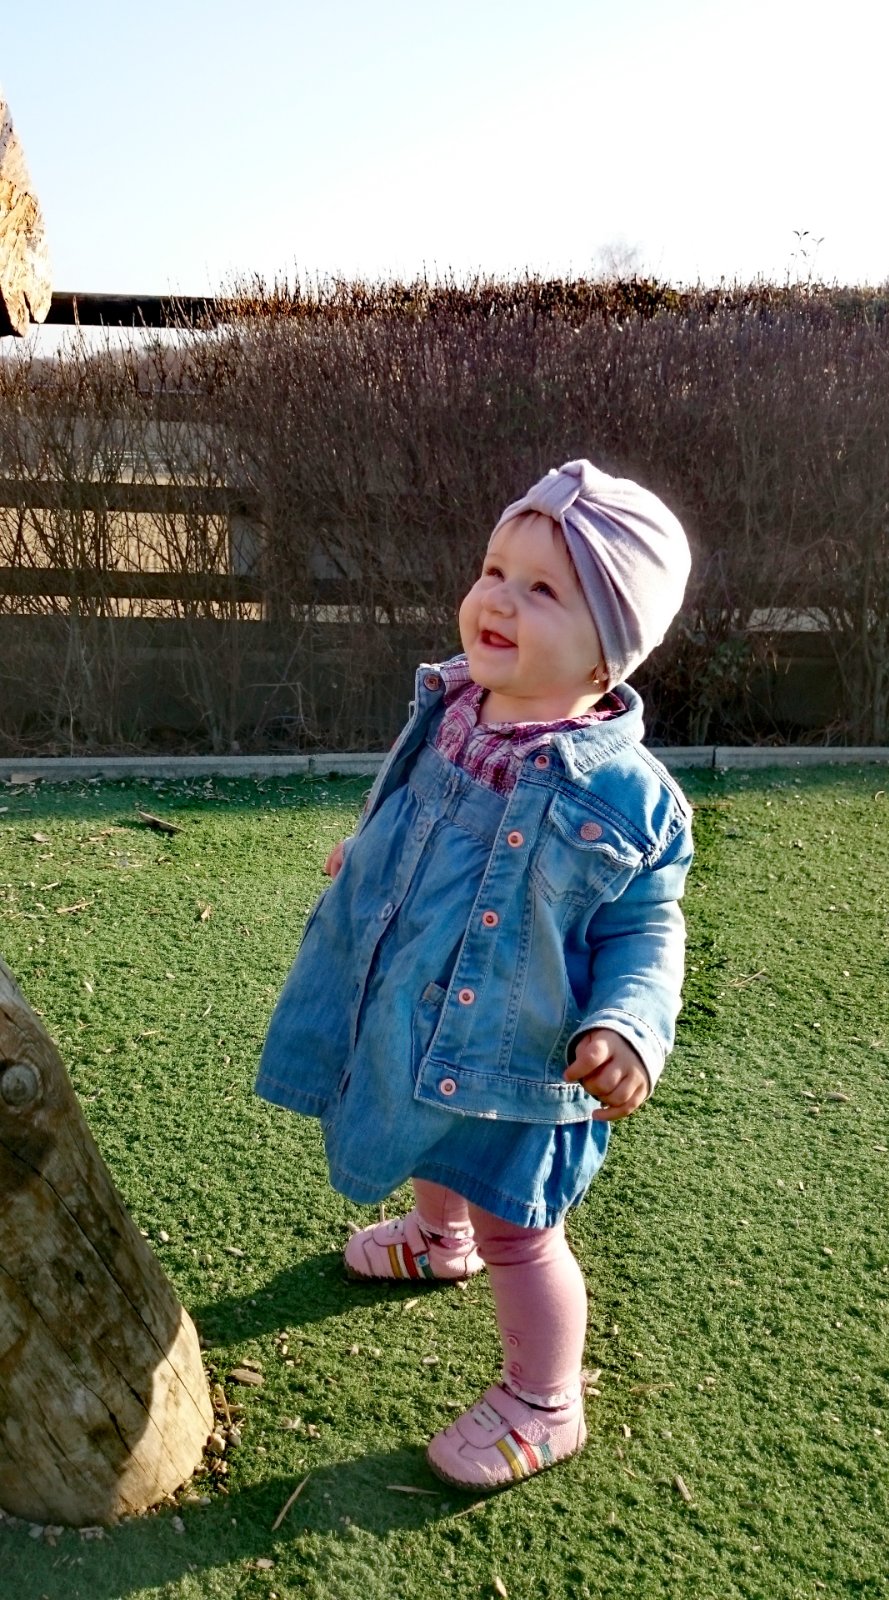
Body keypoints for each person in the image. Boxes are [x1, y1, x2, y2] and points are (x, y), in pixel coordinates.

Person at [255, 458, 693, 1491]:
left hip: (518, 1052)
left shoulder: (629, 796)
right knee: (416, 1109)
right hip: (416, 997)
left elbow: (648, 927)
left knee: (522, 1230)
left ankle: (546, 1399)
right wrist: (371, 853)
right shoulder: (456, 703)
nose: (498, 598)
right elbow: (410, 800)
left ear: (609, 650)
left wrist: (630, 1027)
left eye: (543, 590)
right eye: (496, 570)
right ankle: (435, 1235)